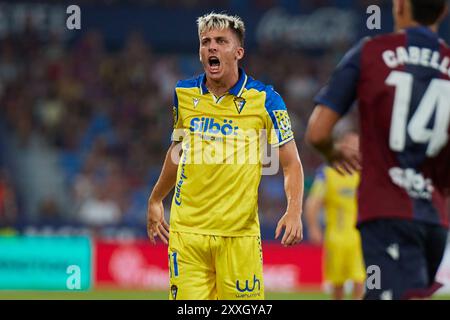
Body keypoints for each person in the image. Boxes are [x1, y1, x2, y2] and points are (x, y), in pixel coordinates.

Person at [146, 12, 304, 300]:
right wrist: (156, 197)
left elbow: (291, 162)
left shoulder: (267, 100)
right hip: (187, 235)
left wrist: (294, 210)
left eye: (221, 41)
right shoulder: (183, 94)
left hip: (239, 237)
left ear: (238, 52)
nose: (212, 48)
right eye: (206, 42)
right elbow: (177, 152)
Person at [306, 0, 450, 300]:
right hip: (436, 219)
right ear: (444, 12)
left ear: (398, 6)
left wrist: (333, 153)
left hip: (387, 213)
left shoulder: (371, 52)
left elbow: (317, 133)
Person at [304, 131, 366, 300]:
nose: (354, 149)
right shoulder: (327, 173)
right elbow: (313, 202)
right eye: (351, 144)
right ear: (342, 146)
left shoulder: (365, 173)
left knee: (360, 283)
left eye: (358, 145)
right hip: (335, 239)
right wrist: (313, 227)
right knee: (337, 287)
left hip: (360, 239)